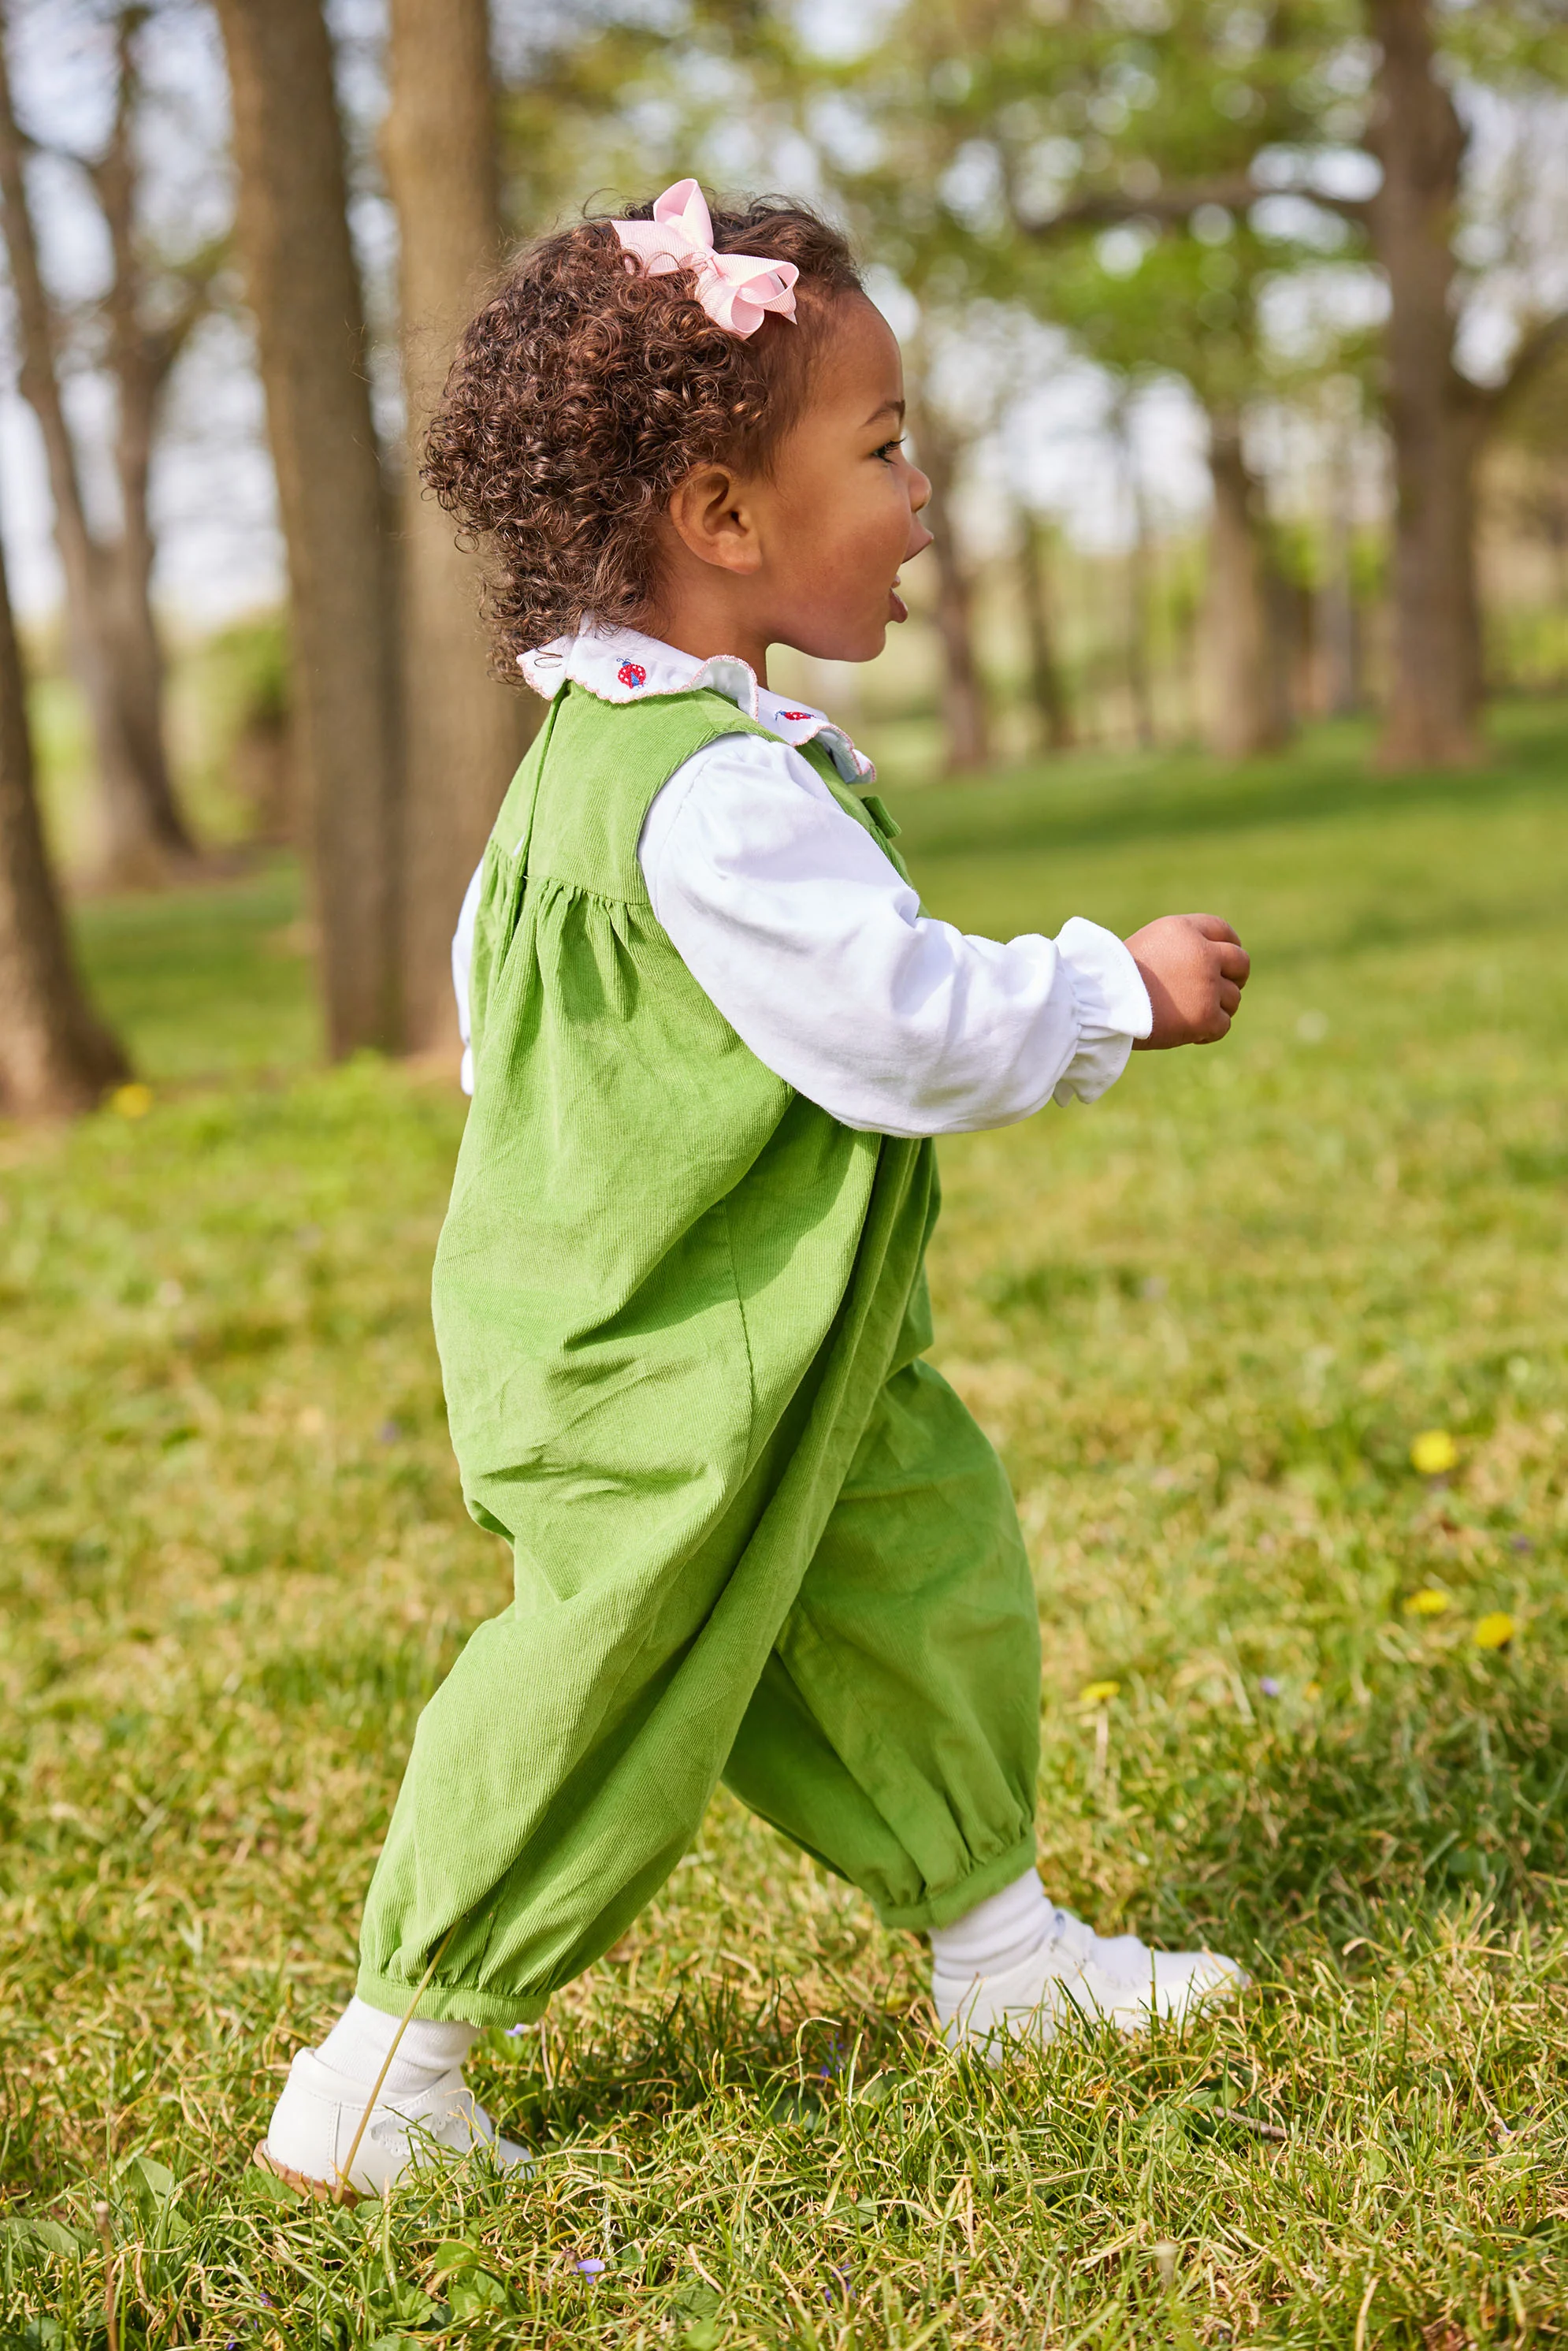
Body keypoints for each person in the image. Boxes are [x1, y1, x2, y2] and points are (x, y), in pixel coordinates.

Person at [258, 180, 1251, 2202]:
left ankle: (1001, 1958)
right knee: (607, 1678)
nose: (920, 487)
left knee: (911, 1581)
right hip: (665, 1362)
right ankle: (387, 2064)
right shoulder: (708, 791)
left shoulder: (605, 753)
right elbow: (897, 1025)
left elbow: (496, 1008)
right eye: (880, 448)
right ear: (721, 514)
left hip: (782, 1339)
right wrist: (1108, 990)